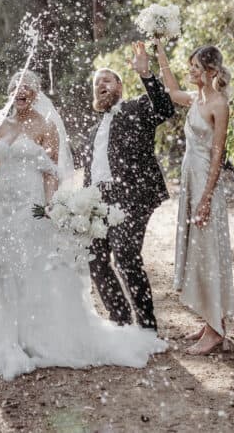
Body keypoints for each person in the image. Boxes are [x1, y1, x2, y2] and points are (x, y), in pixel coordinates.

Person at [0, 71, 168, 380]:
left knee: (32, 269)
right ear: (10, 93)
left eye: (27, 86)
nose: (21, 90)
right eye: (15, 87)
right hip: (1, 209)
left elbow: (51, 172)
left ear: (36, 93)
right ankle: (4, 332)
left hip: (32, 209)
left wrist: (50, 204)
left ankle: (35, 334)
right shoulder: (2, 126)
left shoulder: (47, 126)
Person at [82, 42, 176, 332]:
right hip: (97, 200)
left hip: (132, 196)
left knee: (125, 256)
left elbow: (165, 108)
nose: (101, 85)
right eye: (97, 83)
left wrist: (146, 74)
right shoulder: (92, 129)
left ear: (120, 86)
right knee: (95, 259)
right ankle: (120, 319)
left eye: (107, 80)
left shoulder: (138, 107)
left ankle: (147, 326)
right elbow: (91, 169)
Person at [155, 42, 234, 355]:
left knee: (208, 250)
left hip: (205, 180)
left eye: (196, 68)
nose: (191, 72)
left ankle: (216, 330)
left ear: (212, 72)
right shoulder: (194, 98)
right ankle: (209, 320)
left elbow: (218, 155)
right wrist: (161, 53)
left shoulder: (218, 104)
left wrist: (206, 198)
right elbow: (172, 90)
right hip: (190, 178)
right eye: (190, 66)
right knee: (197, 250)